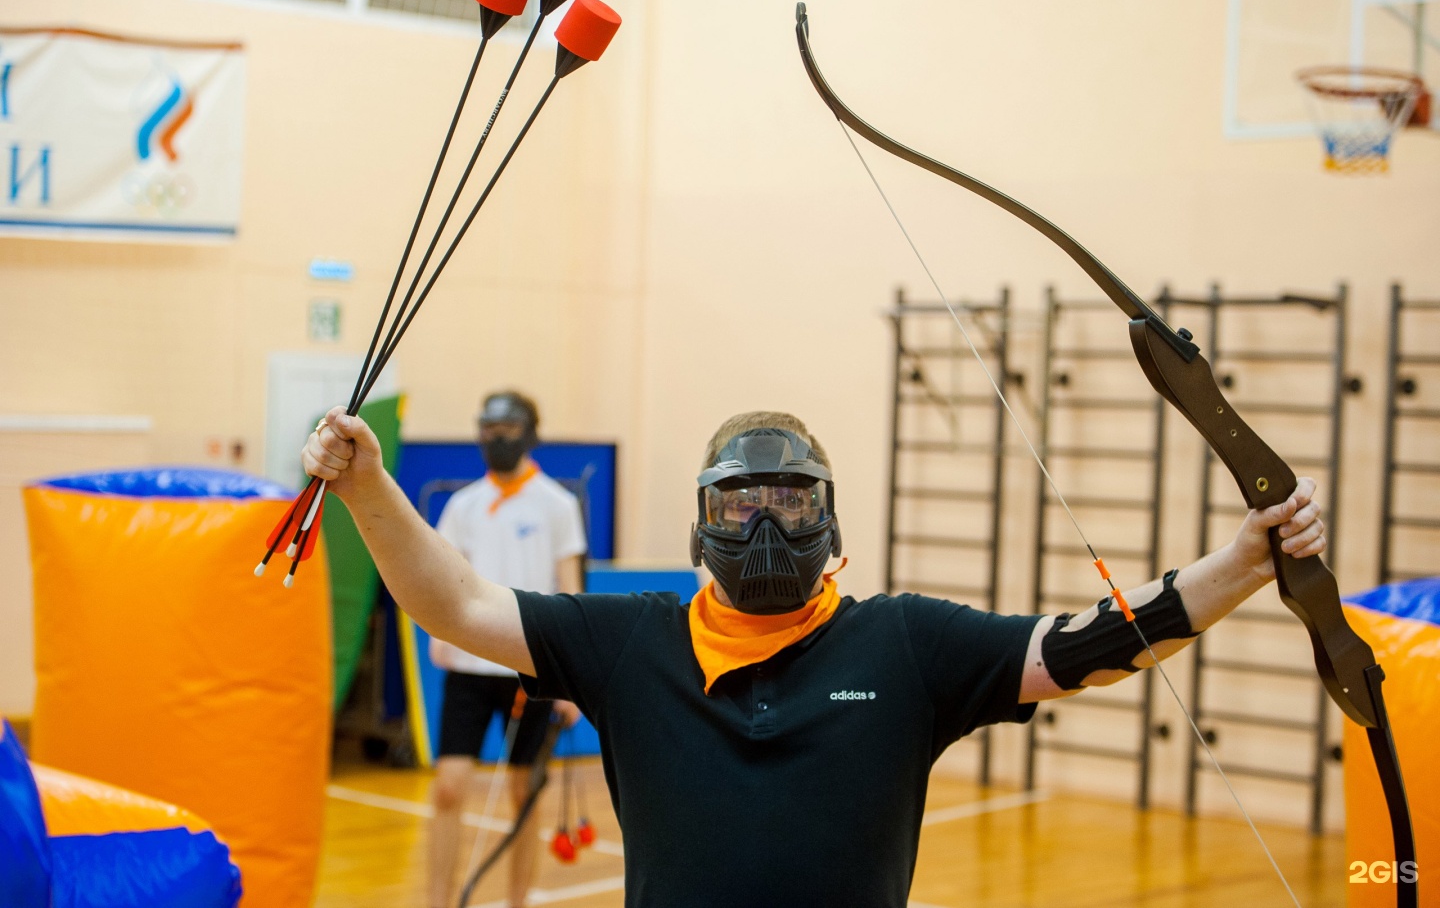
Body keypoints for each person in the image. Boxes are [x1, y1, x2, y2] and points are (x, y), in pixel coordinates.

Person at [303, 407, 1327, 908]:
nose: (762, 525)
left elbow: (1087, 649)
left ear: (830, 518)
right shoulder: (627, 639)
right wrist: (366, 490)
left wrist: (1241, 562)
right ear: (700, 520)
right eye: (738, 502)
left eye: (789, 501)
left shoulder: (907, 642)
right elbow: (458, 601)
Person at [424, 391, 586, 908]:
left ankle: (519, 901)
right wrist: (438, 634)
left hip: (529, 667)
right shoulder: (463, 505)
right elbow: (441, 575)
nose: (498, 439)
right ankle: (436, 900)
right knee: (448, 787)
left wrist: (572, 677)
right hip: (469, 668)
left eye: (509, 428)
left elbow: (570, 591)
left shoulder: (557, 506)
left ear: (531, 433)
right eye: (489, 430)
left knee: (523, 795)